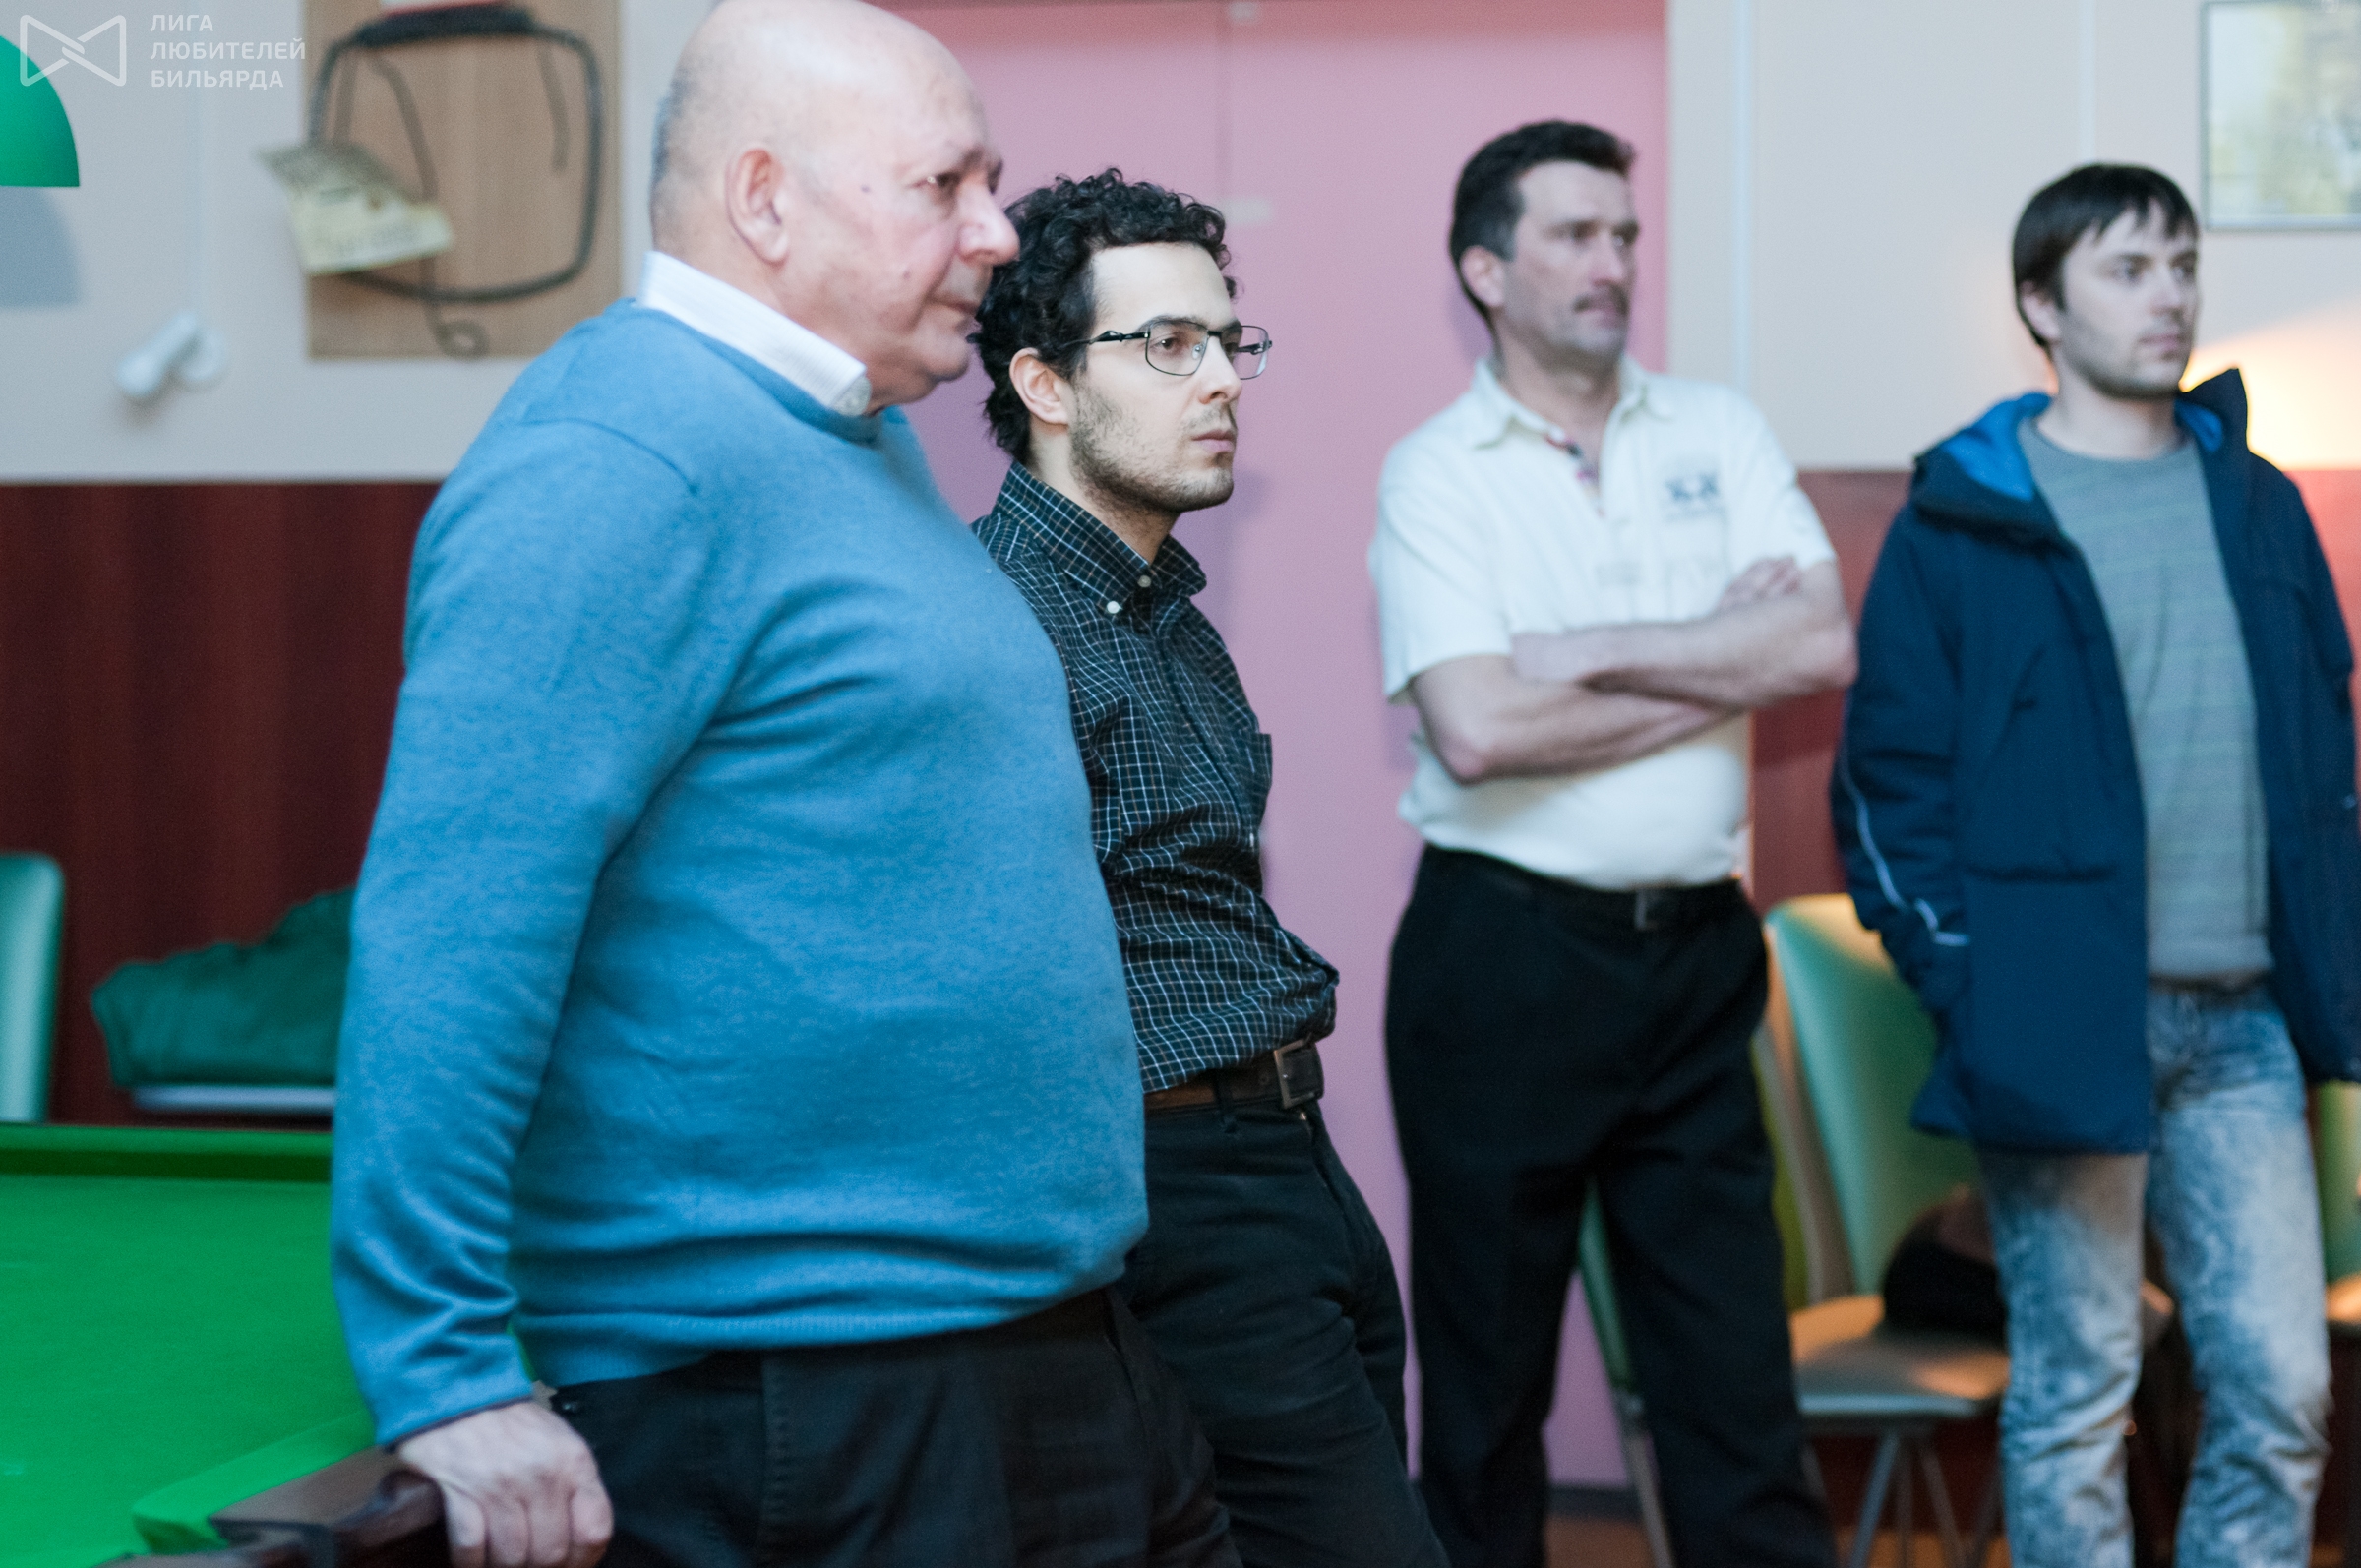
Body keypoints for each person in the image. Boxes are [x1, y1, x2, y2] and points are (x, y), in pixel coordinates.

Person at [328, 7, 1239, 1568]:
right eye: (945, 185)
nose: (996, 231)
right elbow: (451, 932)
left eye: (991, 181)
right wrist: (443, 1367)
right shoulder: (617, 457)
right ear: (766, 199)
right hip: (811, 1386)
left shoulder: (855, 433)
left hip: (1038, 1336)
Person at [1835, 162, 2361, 1566]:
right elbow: (1887, 788)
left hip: (2248, 1024)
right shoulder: (1963, 518)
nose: (2169, 295)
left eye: (2182, 265)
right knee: (2076, 1395)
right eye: (2129, 269)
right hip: (2060, 1020)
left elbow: (2325, 753)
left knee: (2283, 1391)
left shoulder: (2259, 503)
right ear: (2042, 305)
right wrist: (1974, 980)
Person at [1369, 120, 1851, 1568]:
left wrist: (1584, 652)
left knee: (1735, 1388)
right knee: (1484, 1401)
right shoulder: (1435, 472)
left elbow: (1818, 644)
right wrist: (1719, 655)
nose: (1612, 262)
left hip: (1696, 959)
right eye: (1575, 235)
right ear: (1485, 270)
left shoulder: (1718, 430)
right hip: (1502, 960)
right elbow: (1478, 730)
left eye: (1625, 234)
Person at [969, 170, 1448, 1568]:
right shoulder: (996, 622)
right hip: (1171, 1178)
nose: (1224, 379)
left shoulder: (1167, 611)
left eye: (1230, 342)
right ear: (1046, 386)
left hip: (1288, 1154)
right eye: (1169, 345)